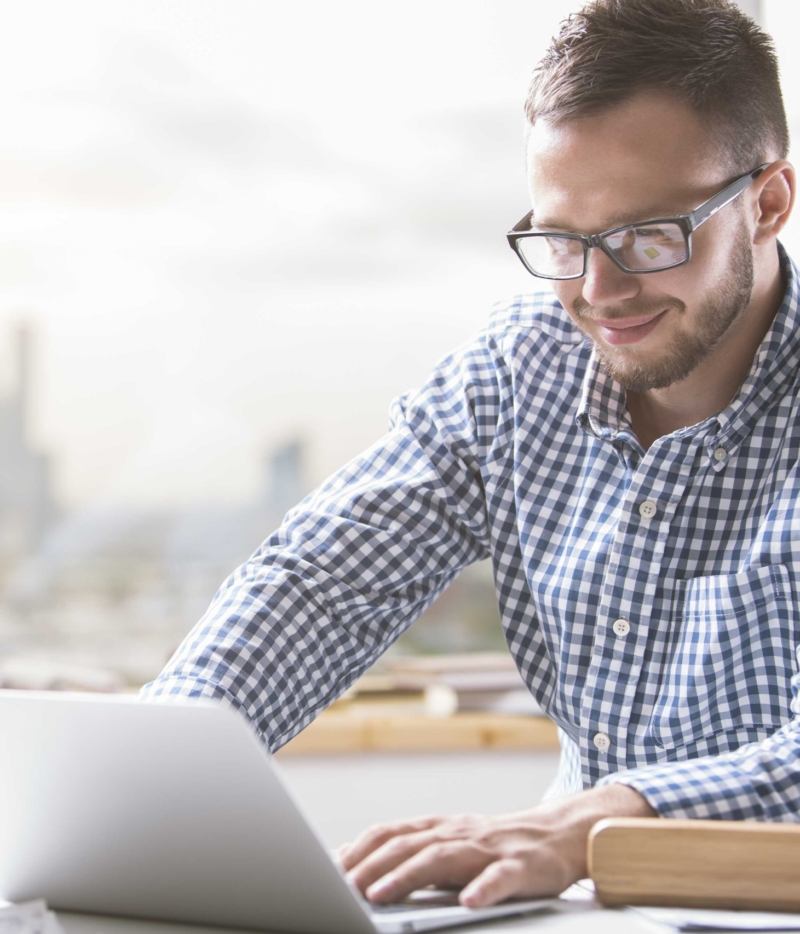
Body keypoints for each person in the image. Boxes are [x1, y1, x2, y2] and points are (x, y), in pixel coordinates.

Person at [141, 0, 800, 908]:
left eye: (649, 236)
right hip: (579, 913)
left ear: (767, 203)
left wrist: (589, 824)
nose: (598, 291)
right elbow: (319, 585)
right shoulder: (518, 367)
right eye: (562, 240)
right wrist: (149, 779)